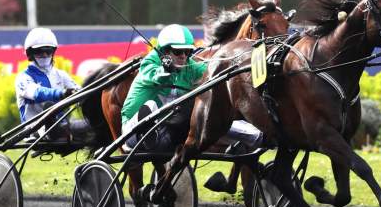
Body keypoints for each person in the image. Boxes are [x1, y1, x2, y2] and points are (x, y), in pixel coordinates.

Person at [121, 23, 262, 152]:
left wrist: (238, 67)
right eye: (177, 52)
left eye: (187, 52)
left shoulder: (190, 66)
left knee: (209, 114)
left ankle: (256, 135)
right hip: (132, 132)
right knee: (151, 106)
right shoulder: (150, 62)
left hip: (171, 131)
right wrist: (166, 70)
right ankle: (149, 136)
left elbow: (213, 71)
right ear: (164, 52)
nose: (183, 56)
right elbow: (155, 75)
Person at [15, 27, 86, 142]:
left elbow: (79, 90)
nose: (44, 55)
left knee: (93, 125)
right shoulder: (23, 78)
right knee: (48, 105)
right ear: (30, 54)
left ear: (53, 52)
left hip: (61, 125)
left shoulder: (60, 75)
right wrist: (62, 93)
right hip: (34, 129)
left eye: (48, 51)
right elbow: (37, 93)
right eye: (39, 51)